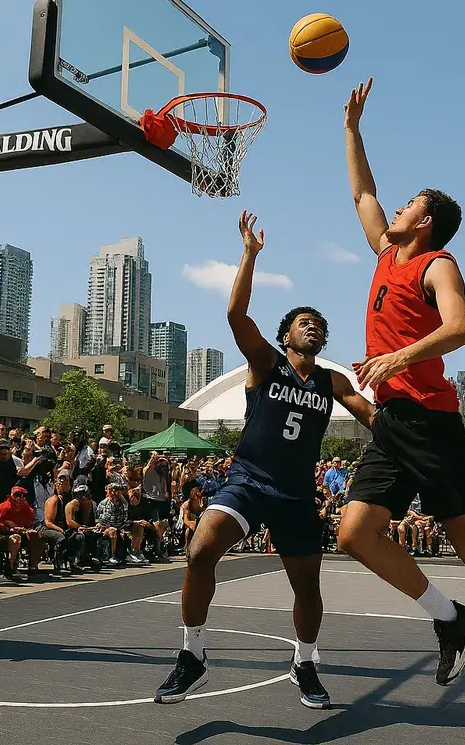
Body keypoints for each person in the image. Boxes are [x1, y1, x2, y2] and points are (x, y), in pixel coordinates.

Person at [335, 78, 465, 737]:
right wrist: (352, 129)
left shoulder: (439, 265)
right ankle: (451, 617)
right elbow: (363, 193)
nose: (393, 207)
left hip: (429, 416)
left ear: (424, 221)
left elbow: (459, 330)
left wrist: (398, 358)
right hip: (393, 422)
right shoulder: (385, 252)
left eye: (408, 204)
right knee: (354, 534)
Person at [155, 212, 376, 710]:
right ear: (286, 336)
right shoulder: (264, 365)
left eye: (320, 326)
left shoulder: (332, 382)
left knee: (307, 589)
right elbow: (236, 316)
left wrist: (410, 431)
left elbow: (370, 416)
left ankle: (305, 663)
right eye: (305, 324)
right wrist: (250, 255)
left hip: (297, 495)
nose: (315, 329)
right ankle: (192, 656)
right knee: (200, 549)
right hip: (249, 482)